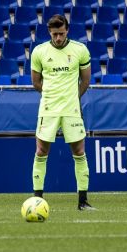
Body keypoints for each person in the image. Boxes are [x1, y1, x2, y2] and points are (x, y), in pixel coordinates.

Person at [29, 14, 94, 210]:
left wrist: (73, 98)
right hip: (48, 109)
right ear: (49, 32)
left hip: (71, 110)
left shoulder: (80, 50)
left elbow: (86, 81)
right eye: (55, 34)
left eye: (62, 34)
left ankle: (83, 202)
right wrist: (51, 96)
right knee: (41, 152)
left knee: (79, 152)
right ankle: (37, 200)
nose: (58, 38)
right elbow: (36, 82)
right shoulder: (39, 52)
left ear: (67, 30)